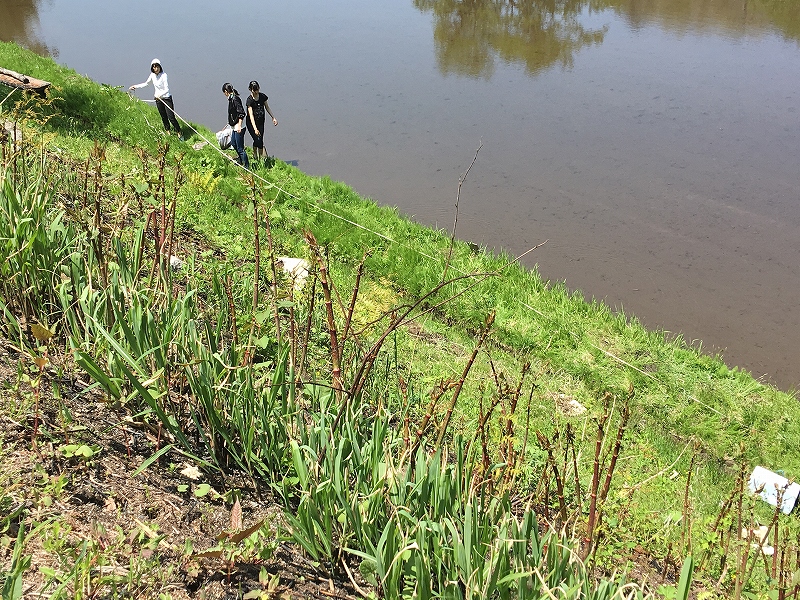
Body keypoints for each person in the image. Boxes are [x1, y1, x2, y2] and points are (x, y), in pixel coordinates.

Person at [129, 58, 182, 138]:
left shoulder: (164, 75)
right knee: (163, 116)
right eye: (154, 67)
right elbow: (146, 83)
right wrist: (135, 86)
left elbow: (167, 89)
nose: (155, 68)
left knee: (171, 117)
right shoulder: (152, 75)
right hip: (158, 99)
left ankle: (179, 132)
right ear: (152, 68)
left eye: (157, 66)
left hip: (166, 98)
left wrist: (160, 95)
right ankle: (168, 132)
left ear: (160, 67)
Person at [245, 80, 278, 165]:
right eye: (254, 90)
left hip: (261, 123)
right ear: (250, 89)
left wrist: (273, 117)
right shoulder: (249, 101)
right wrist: (255, 128)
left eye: (257, 90)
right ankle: (257, 156)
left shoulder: (262, 97)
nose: (256, 92)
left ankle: (258, 157)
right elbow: (251, 115)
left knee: (260, 140)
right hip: (251, 124)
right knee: (257, 140)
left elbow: (267, 107)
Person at [222, 83, 249, 169]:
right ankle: (241, 160)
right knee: (233, 143)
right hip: (234, 126)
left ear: (226, 92)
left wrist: (239, 126)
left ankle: (247, 166)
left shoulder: (235, 99)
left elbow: (241, 113)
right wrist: (229, 124)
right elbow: (233, 114)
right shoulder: (231, 99)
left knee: (240, 148)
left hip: (239, 127)